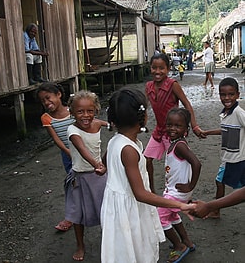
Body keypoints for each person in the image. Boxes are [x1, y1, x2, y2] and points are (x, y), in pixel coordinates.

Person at [100, 87, 195, 263]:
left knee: (124, 247)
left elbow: (103, 162)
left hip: (117, 204)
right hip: (130, 207)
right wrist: (180, 206)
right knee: (136, 247)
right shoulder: (129, 149)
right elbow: (140, 194)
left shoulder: (116, 141)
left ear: (113, 120)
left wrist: (102, 168)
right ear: (142, 117)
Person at [143, 53, 205, 193]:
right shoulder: (149, 86)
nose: (157, 72)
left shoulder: (173, 85)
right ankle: (151, 191)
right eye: (154, 68)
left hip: (173, 133)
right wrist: (141, 123)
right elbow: (144, 106)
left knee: (178, 163)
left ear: (168, 69)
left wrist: (194, 125)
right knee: (146, 159)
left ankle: (181, 193)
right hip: (159, 131)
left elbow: (187, 105)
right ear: (150, 68)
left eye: (161, 68)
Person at [66, 90, 108, 261]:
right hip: (80, 177)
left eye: (90, 111)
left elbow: (114, 125)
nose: (85, 115)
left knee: (105, 211)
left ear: (96, 110)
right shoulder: (72, 129)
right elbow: (83, 150)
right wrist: (98, 164)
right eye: (80, 111)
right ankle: (80, 245)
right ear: (72, 112)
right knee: (78, 215)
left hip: (98, 178)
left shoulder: (98, 123)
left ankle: (108, 242)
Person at [158, 108, 201, 262]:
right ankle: (187, 242)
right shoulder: (176, 143)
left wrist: (190, 186)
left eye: (178, 126)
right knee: (172, 215)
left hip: (177, 192)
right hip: (174, 190)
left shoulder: (180, 146)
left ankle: (178, 246)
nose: (172, 129)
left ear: (186, 129)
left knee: (159, 218)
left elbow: (197, 164)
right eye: (170, 125)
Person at [202, 77, 245, 218]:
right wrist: (208, 133)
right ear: (219, 95)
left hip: (235, 159)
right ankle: (216, 210)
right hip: (231, 157)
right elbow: (225, 130)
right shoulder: (226, 113)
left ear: (238, 95)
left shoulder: (238, 113)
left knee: (219, 181)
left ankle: (215, 210)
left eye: (231, 94)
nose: (227, 98)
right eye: (223, 94)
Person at [37, 82, 74, 232]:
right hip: (67, 155)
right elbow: (56, 139)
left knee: (93, 182)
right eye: (43, 101)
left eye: (48, 97)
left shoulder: (73, 111)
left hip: (85, 151)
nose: (46, 102)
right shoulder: (46, 118)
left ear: (58, 94)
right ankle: (71, 217)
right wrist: (68, 151)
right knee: (73, 184)